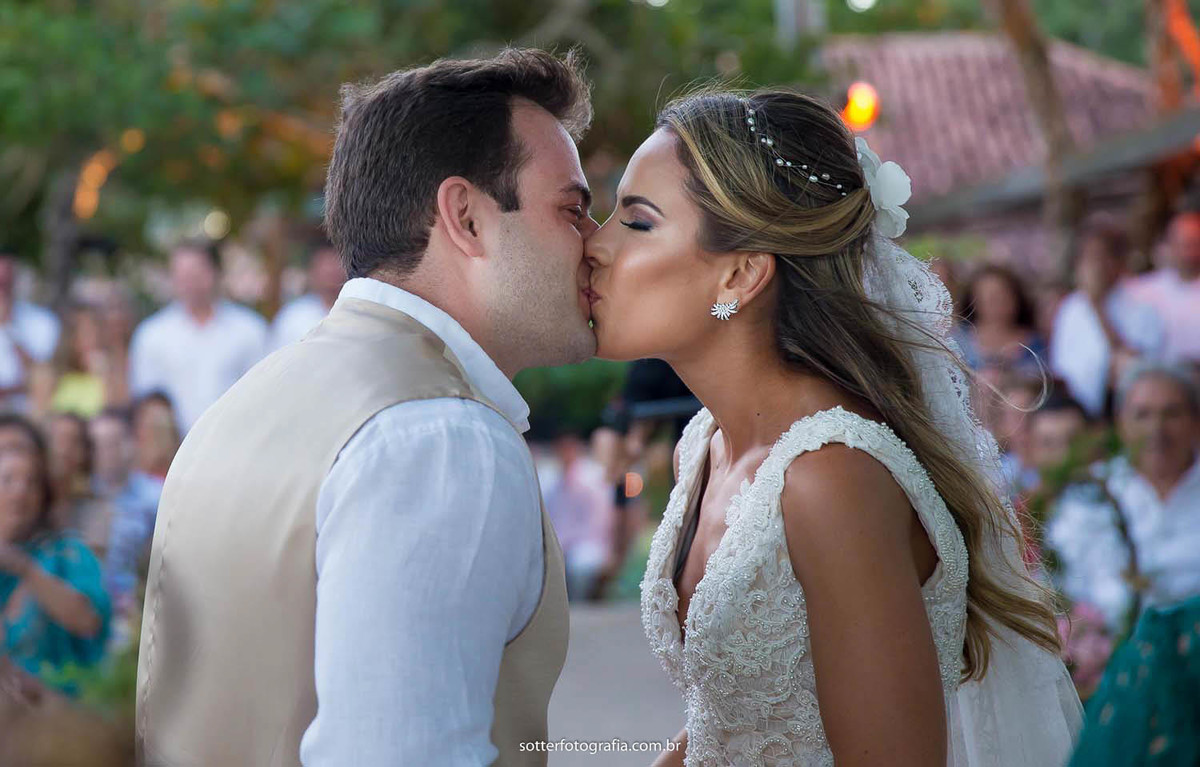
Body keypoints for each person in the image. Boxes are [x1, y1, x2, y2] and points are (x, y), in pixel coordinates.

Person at [585, 89, 1081, 766]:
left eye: (635, 223)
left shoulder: (831, 477)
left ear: (739, 274)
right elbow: (736, 722)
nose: (595, 244)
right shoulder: (704, 443)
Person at [137, 49, 596, 766]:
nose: (595, 246)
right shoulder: (440, 436)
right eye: (572, 209)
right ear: (468, 217)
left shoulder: (247, 402)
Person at [1047, 362, 1200, 634]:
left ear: (1195, 421)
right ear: (1120, 422)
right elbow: (1061, 585)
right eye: (1143, 414)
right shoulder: (1089, 492)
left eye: (1171, 413)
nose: (1157, 429)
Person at [0, 420, 110, 690]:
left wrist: (24, 568)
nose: (20, 491)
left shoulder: (67, 553)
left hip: (56, 718)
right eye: (7, 480)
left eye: (32, 482)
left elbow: (90, 621)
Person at [128, 239, 268, 432]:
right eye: (181, 275)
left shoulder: (249, 329)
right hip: (174, 452)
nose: (188, 283)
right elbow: (147, 400)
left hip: (235, 441)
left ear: (215, 273)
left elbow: (262, 392)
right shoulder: (151, 335)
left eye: (195, 273)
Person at [1050, 217, 1164, 418]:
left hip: (1122, 413)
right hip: (1079, 414)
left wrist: (1097, 304)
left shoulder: (1143, 303)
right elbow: (1061, 367)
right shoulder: (1070, 307)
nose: (1094, 266)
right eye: (1087, 257)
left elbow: (1133, 365)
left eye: (1100, 256)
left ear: (1119, 260)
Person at [543, 432, 616, 601]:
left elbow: (599, 520)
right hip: (562, 542)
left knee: (581, 565)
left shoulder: (592, 478)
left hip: (588, 542)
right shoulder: (551, 481)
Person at [1127, 204, 1200, 365]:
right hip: (1160, 375)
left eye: (1194, 243)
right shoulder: (1145, 290)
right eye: (1184, 244)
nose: (1189, 253)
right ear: (1170, 245)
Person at [956, 264, 1047, 377]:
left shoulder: (1035, 344)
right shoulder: (957, 342)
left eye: (1003, 295)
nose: (998, 304)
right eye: (990, 298)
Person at [0, 250, 60, 414]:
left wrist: (8, 328)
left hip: (27, 413)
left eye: (5, 283)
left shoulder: (43, 321)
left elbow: (42, 377)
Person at [268, 236, 347, 352]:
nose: (332, 271)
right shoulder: (293, 317)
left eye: (336, 263)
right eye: (325, 264)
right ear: (312, 270)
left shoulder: (360, 312)